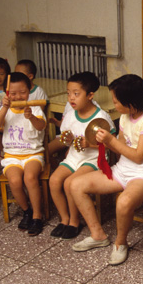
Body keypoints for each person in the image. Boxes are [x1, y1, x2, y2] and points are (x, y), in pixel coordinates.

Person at [70, 74, 143, 266]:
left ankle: (120, 243)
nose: (113, 103)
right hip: (124, 168)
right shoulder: (125, 116)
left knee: (123, 201)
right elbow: (121, 146)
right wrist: (98, 142)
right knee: (76, 185)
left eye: (116, 100)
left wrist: (110, 141)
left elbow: (139, 156)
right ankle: (98, 235)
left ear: (131, 102)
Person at [49, 72, 115, 240]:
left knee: (70, 183)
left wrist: (90, 144)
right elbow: (65, 139)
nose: (71, 98)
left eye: (76, 94)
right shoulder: (70, 115)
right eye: (69, 93)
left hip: (93, 159)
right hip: (74, 157)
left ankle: (75, 221)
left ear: (90, 95)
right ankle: (64, 219)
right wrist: (68, 140)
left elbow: (111, 144)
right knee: (54, 181)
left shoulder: (101, 117)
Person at [0, 72, 47, 236]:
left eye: (22, 92)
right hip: (12, 155)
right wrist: (4, 107)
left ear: (29, 91)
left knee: (30, 178)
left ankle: (37, 215)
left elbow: (41, 126)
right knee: (15, 181)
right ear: (7, 94)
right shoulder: (5, 109)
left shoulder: (35, 107)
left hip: (33, 153)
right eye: (13, 93)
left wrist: (31, 118)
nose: (18, 96)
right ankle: (27, 210)